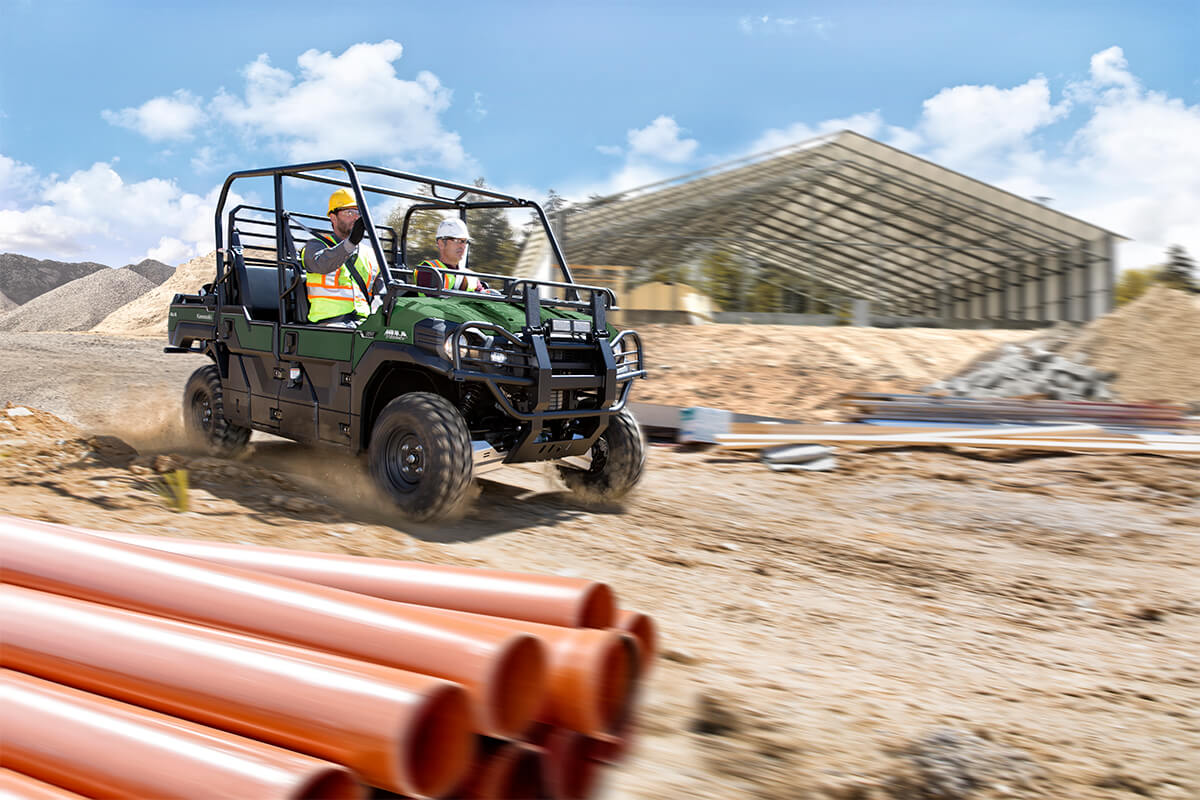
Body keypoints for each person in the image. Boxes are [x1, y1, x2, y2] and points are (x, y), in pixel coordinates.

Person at [300, 188, 383, 325]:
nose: (356, 218)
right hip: (329, 326)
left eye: (358, 213)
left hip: (364, 325)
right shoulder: (315, 246)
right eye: (349, 212)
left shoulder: (371, 255)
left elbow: (381, 294)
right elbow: (322, 264)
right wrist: (350, 243)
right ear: (333, 217)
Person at [416, 217, 495, 293]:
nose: (462, 246)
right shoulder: (428, 270)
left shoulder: (470, 276)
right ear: (441, 244)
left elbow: (483, 296)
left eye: (464, 241)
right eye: (457, 240)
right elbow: (435, 302)